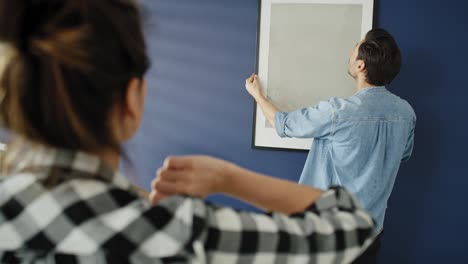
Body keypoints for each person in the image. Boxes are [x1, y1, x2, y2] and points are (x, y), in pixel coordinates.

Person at [0, 1, 375, 263]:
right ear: (132, 99)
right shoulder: (177, 234)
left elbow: (285, 125)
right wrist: (228, 177)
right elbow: (357, 229)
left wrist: (258, 96)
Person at [243, 28, 416, 262]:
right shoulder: (406, 113)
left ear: (360, 66)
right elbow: (403, 155)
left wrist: (257, 95)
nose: (350, 51)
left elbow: (282, 124)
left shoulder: (338, 112)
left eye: (355, 46)